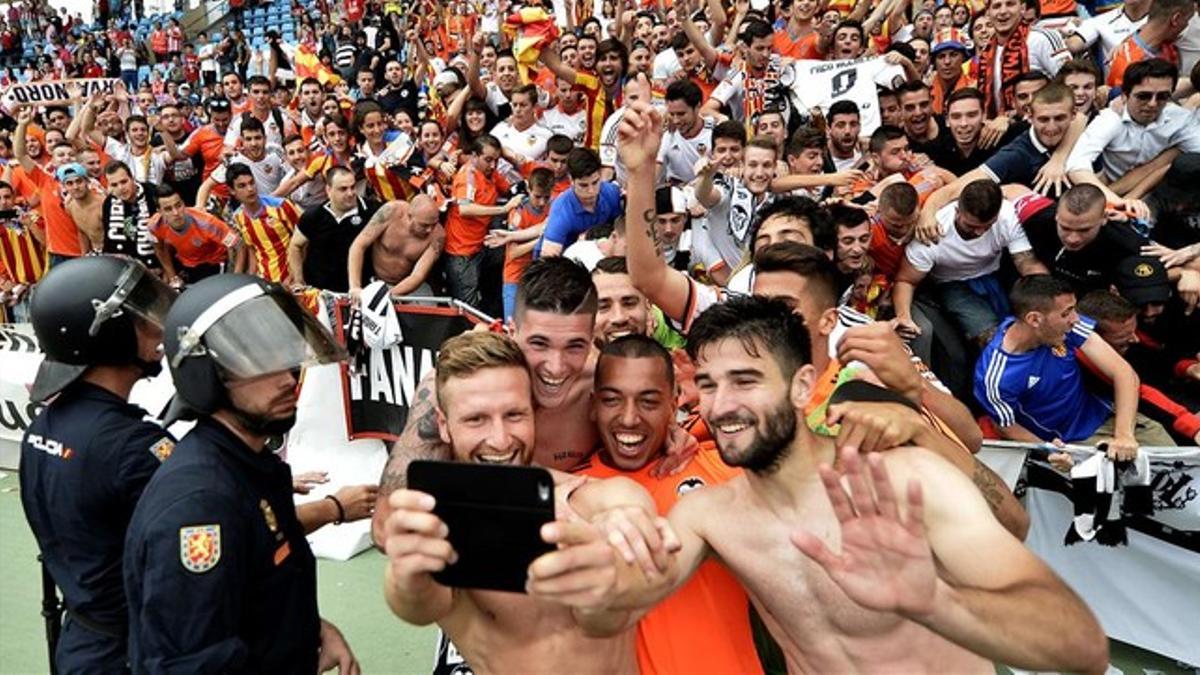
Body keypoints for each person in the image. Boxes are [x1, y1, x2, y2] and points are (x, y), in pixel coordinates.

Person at [530, 296, 1108, 674]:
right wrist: (590, 576)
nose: (723, 405)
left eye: (746, 380)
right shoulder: (710, 516)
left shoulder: (905, 480)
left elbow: (1081, 647)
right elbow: (621, 607)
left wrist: (938, 602)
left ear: (804, 385)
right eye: (707, 384)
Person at [381, 330, 661, 674]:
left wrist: (615, 543)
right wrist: (405, 575)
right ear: (444, 425)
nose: (499, 440)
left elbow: (628, 585)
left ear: (534, 414)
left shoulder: (599, 499)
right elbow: (418, 604)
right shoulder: (441, 526)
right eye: (475, 419)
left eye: (514, 415)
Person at [124, 273, 359, 673]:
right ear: (206, 374)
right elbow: (192, 662)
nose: (288, 379)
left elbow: (255, 591)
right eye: (259, 365)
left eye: (287, 361)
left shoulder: (249, 466)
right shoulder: (200, 504)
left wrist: (312, 630)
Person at [20, 256, 176, 673]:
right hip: (136, 651)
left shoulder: (43, 428)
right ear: (111, 334)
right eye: (142, 320)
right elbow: (219, 533)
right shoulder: (133, 446)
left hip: (82, 644)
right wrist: (332, 509)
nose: (158, 331)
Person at [574, 335, 761, 675]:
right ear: (592, 404)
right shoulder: (570, 495)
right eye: (612, 400)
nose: (629, 419)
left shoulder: (725, 471)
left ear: (674, 403)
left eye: (648, 401)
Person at [974, 274, 1175, 454]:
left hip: (1108, 417)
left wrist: (1124, 435)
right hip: (1069, 442)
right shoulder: (997, 377)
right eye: (1066, 313)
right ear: (1034, 319)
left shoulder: (1067, 327)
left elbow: (1123, 372)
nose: (1075, 319)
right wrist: (1052, 453)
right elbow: (1005, 425)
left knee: (1179, 464)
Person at [894, 179, 1049, 347]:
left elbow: (1027, 263)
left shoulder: (1007, 216)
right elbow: (906, 281)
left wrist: (1050, 296)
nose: (979, 232)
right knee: (992, 339)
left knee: (1032, 323)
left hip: (995, 274)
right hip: (952, 283)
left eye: (987, 226)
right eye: (971, 226)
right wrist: (903, 316)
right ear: (957, 211)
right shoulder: (932, 234)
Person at [287, 166, 380, 293]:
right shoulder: (313, 216)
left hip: (360, 292)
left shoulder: (372, 211)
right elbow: (295, 245)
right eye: (343, 189)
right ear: (328, 190)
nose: (350, 193)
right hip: (321, 294)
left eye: (352, 187)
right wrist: (298, 280)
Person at [347, 195, 444, 300]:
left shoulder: (438, 236)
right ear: (409, 216)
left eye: (433, 225)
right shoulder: (391, 211)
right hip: (375, 280)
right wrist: (355, 286)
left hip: (410, 287)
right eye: (424, 225)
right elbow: (359, 245)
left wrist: (387, 296)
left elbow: (418, 275)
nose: (429, 230)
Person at [536, 147, 623, 258]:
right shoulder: (561, 210)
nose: (591, 191)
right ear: (571, 180)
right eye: (583, 185)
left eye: (595, 182)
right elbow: (548, 259)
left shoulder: (611, 193)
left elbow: (621, 234)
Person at [148, 184, 240, 286]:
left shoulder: (206, 223)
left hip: (213, 263)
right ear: (160, 211)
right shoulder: (154, 226)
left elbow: (238, 245)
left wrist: (235, 276)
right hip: (185, 264)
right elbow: (159, 249)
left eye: (178, 205)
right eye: (168, 209)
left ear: (184, 204)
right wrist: (173, 277)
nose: (176, 213)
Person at [226, 162, 301, 283]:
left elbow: (302, 242)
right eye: (242, 186)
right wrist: (252, 279)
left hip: (292, 279)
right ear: (232, 191)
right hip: (266, 281)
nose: (250, 189)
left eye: (251, 183)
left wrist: (293, 277)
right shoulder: (239, 218)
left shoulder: (281, 206)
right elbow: (253, 250)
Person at [101, 160, 161, 271]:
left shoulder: (152, 193)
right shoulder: (109, 203)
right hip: (124, 268)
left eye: (124, 182)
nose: (120, 188)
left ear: (132, 178)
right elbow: (109, 240)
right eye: (114, 185)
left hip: (156, 265)